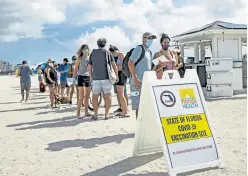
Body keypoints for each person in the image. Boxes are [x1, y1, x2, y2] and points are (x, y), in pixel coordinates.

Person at [128, 32, 156, 119]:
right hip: (137, 82)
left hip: (145, 83)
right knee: (139, 107)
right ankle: (139, 129)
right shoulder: (139, 48)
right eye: (149, 38)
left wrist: (158, 66)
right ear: (143, 39)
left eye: (152, 39)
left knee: (145, 106)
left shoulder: (150, 52)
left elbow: (149, 70)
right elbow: (130, 63)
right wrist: (135, 78)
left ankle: (143, 128)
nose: (150, 40)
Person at [88, 38, 118, 120]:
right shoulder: (107, 52)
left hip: (96, 78)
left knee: (95, 96)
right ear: (105, 44)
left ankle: (96, 114)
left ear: (97, 44)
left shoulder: (93, 53)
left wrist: (91, 76)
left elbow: (89, 66)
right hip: (106, 77)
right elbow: (114, 65)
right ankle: (107, 114)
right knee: (107, 96)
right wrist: (116, 75)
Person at [109, 45, 129, 117]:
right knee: (119, 94)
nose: (112, 54)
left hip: (121, 75)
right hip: (117, 75)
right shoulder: (114, 56)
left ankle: (125, 111)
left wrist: (116, 66)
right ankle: (123, 109)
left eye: (112, 53)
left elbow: (125, 66)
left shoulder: (120, 54)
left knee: (122, 94)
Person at [73, 45, 91, 119]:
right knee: (81, 96)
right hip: (81, 77)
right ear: (82, 50)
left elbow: (91, 69)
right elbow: (75, 69)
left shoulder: (89, 59)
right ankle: (78, 113)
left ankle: (86, 112)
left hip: (88, 77)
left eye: (87, 49)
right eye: (84, 49)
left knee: (87, 96)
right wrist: (74, 79)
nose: (86, 50)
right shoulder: (79, 59)